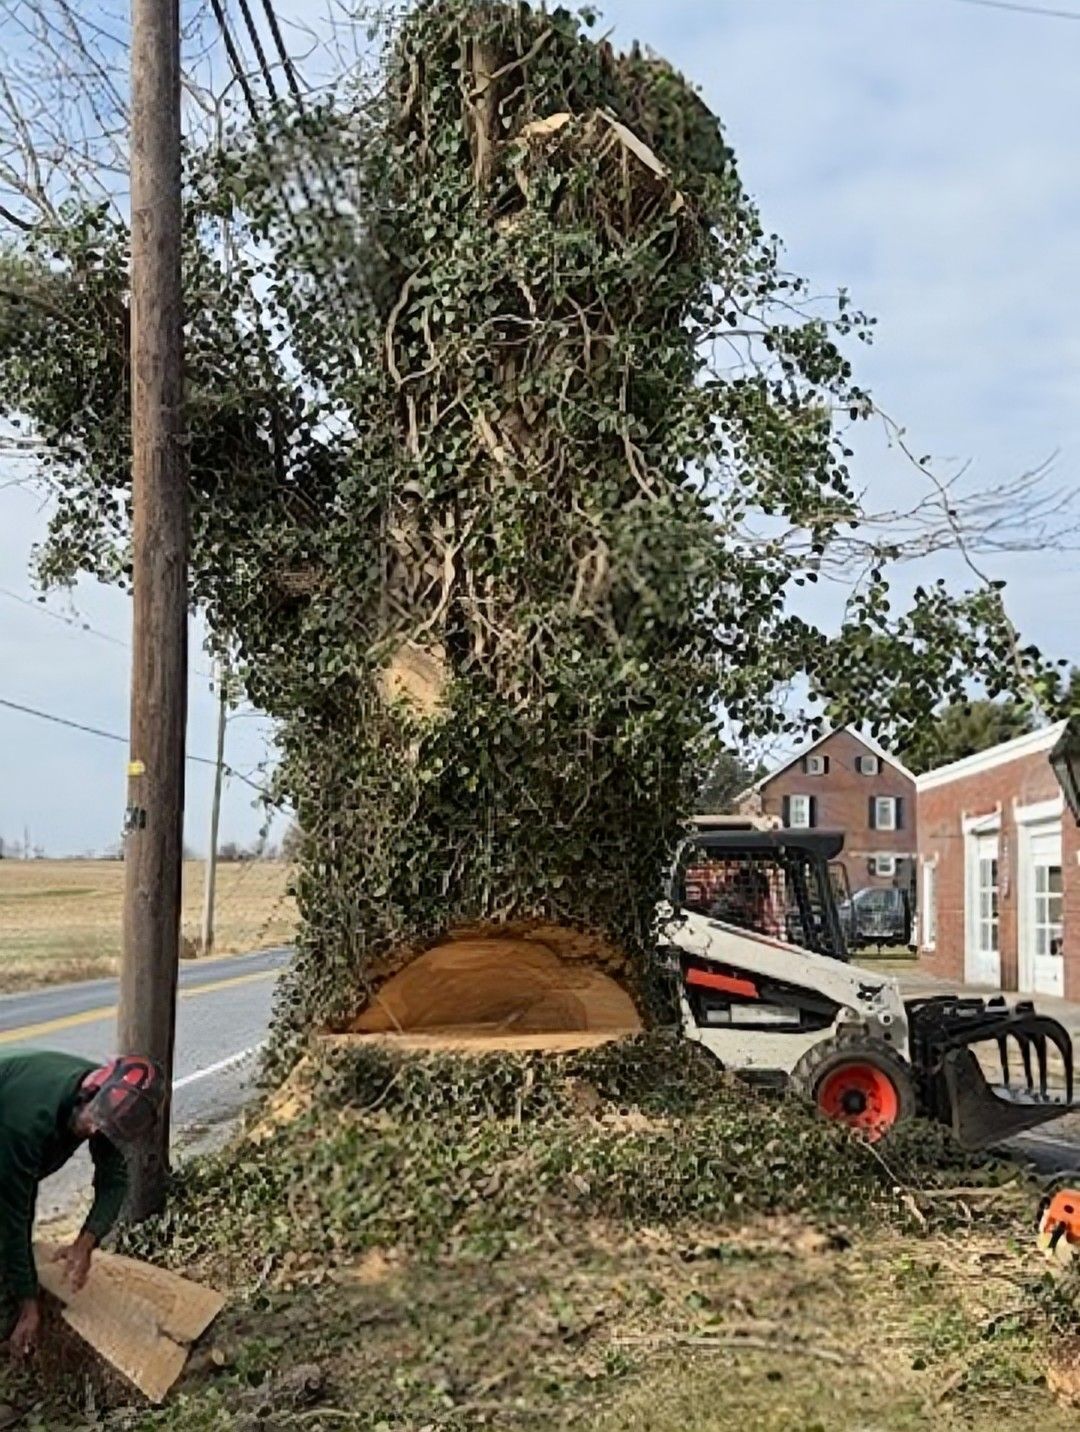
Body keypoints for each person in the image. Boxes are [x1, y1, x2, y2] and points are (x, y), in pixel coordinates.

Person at [0, 1051, 164, 1361]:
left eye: (105, 1129)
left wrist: (85, 1242)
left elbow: (114, 1181)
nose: (93, 1133)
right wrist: (28, 1305)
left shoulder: (112, 1103)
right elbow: (15, 1216)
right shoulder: (27, 1121)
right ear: (88, 1095)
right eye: (94, 1122)